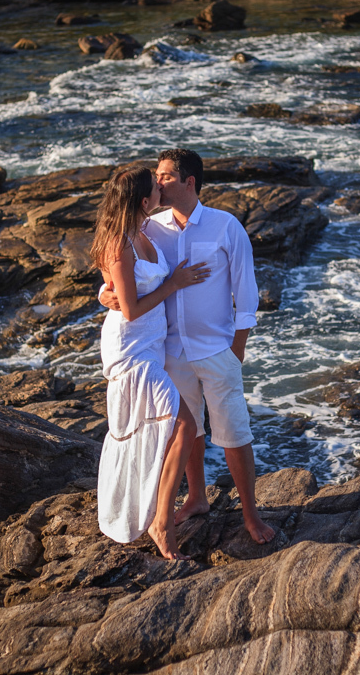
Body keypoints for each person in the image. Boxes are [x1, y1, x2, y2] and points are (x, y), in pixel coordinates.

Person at [101, 149, 276, 544]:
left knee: (234, 433)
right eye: (156, 178)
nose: (157, 182)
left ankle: (251, 515)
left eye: (164, 176)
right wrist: (104, 294)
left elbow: (247, 296)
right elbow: (120, 265)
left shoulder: (225, 226)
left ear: (189, 182)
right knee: (187, 429)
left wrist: (236, 352)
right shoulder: (151, 226)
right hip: (168, 350)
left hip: (216, 349)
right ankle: (197, 497)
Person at [91, 166, 211, 560]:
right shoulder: (119, 242)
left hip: (152, 346)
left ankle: (155, 513)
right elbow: (129, 309)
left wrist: (103, 292)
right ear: (144, 201)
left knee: (165, 427)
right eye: (155, 187)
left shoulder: (144, 230)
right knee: (183, 425)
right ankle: (161, 522)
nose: (161, 188)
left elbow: (114, 289)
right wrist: (174, 284)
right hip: (131, 350)